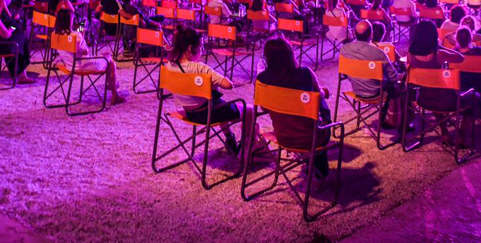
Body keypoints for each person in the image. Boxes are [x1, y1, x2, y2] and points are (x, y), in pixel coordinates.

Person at [165, 26, 255, 156]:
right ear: (190, 48)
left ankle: (229, 137)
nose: (202, 50)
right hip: (207, 115)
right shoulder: (200, 68)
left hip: (189, 112)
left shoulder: (169, 65)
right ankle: (245, 150)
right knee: (250, 109)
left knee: (218, 101)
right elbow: (228, 85)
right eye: (201, 46)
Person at [257, 37, 333, 178]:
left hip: (283, 135)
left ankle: (309, 159)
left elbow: (264, 108)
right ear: (290, 54)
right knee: (320, 99)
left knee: (314, 99)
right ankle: (318, 163)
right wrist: (324, 93)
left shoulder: (262, 79)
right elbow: (319, 95)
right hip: (313, 138)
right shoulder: (305, 73)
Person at [407, 21, 469, 142]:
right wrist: (441, 47)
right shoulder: (439, 54)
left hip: (424, 99)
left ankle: (444, 132)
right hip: (446, 100)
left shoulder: (410, 55)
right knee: (474, 97)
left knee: (432, 91)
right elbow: (461, 58)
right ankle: (461, 135)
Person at [54, 9, 126, 105]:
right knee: (110, 60)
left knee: (105, 58)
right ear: (69, 21)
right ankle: (114, 94)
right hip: (84, 65)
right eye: (72, 19)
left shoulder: (55, 35)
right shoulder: (76, 35)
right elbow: (85, 52)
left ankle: (111, 84)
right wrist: (82, 34)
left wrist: (80, 34)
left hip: (70, 65)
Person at [340, 20, 405, 128]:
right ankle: (399, 120)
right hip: (377, 93)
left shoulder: (344, 50)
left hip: (357, 91)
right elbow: (393, 78)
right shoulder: (378, 53)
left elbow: (344, 74)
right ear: (371, 34)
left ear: (355, 33)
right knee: (403, 84)